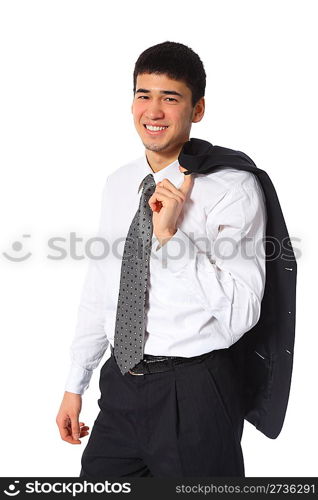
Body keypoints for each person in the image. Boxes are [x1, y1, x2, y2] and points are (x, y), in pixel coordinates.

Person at [56, 41, 267, 477]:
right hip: (120, 387)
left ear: (198, 109)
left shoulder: (232, 187)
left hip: (194, 391)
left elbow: (242, 312)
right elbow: (103, 288)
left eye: (170, 98)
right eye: (143, 94)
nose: (153, 111)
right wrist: (75, 384)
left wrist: (172, 237)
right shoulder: (120, 183)